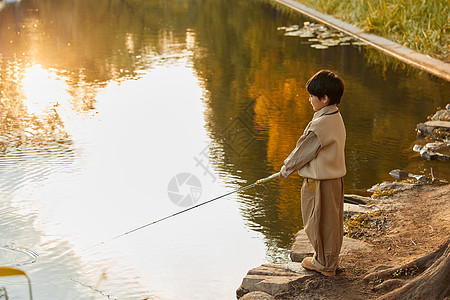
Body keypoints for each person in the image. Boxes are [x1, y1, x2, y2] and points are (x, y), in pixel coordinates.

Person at [278, 70, 346, 276]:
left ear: (324, 98)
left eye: (312, 96)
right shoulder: (335, 116)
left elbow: (302, 152)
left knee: (316, 220)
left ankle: (324, 264)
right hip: (334, 179)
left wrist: (285, 169)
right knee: (331, 221)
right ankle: (328, 260)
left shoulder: (320, 124)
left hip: (319, 182)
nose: (309, 99)